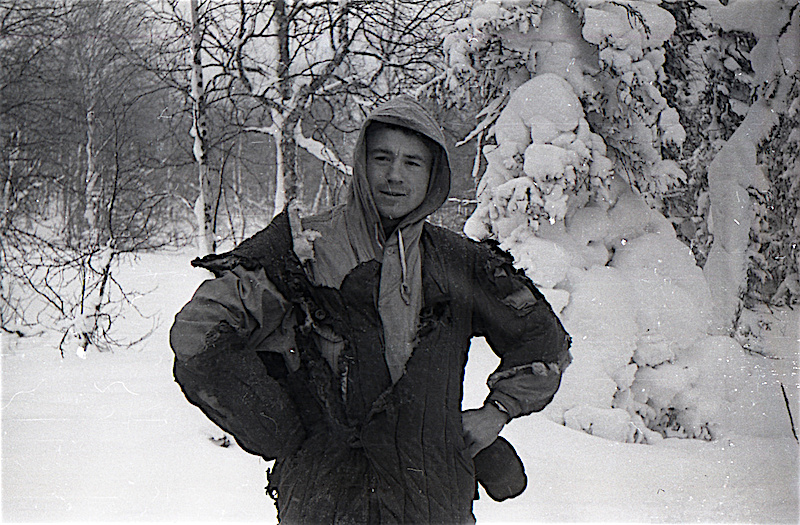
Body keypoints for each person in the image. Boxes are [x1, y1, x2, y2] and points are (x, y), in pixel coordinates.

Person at [170, 96, 572, 524]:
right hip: (326, 505)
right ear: (362, 162)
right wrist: (279, 429)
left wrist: (497, 412)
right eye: (382, 158)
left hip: (433, 504)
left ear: (433, 174)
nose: (395, 175)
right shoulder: (302, 249)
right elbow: (199, 333)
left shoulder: (460, 263)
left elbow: (543, 340)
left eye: (412, 163)